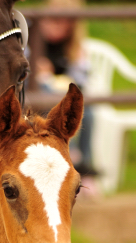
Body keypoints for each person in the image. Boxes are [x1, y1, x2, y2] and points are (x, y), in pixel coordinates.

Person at [36, 0, 99, 196]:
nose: (58, 24)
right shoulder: (31, 36)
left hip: (63, 96)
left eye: (66, 21)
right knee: (49, 110)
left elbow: (81, 77)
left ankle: (84, 169)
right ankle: (55, 170)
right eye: (54, 18)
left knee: (88, 113)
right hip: (37, 97)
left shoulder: (74, 44)